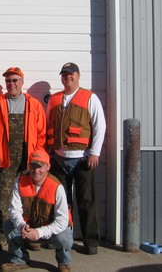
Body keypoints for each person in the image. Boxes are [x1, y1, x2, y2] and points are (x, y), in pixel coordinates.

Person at [0, 67, 46, 251]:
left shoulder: (33, 104)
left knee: (28, 200)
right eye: (8, 81)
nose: (12, 84)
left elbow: (41, 134)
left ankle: (29, 236)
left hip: (28, 160)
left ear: (22, 82)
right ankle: (1, 238)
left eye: (15, 80)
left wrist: (38, 158)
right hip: (5, 159)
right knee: (3, 200)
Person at [47, 62, 106, 255]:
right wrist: (49, 151)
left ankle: (91, 242)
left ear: (78, 76)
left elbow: (99, 126)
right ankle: (60, 238)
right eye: (64, 74)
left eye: (71, 74)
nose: (67, 77)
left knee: (86, 200)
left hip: (82, 159)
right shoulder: (54, 99)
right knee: (60, 202)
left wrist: (95, 152)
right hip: (58, 158)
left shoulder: (90, 98)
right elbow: (48, 126)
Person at [2, 150, 73, 272]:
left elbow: (62, 221)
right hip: (29, 226)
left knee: (64, 236)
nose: (36, 170)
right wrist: (22, 225)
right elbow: (14, 209)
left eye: (40, 167)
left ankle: (64, 262)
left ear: (48, 167)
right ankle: (19, 260)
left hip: (51, 228)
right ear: (29, 166)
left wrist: (39, 232)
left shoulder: (57, 187)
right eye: (33, 166)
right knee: (8, 225)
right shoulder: (20, 181)